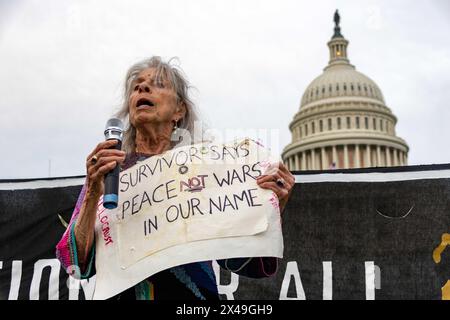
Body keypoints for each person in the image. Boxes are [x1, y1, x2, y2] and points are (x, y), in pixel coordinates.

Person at [56, 56, 295, 300]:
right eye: (137, 85)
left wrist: (272, 206)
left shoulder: (206, 169)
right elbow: (75, 264)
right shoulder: (110, 173)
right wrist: (93, 192)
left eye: (158, 83)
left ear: (179, 110)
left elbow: (241, 260)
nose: (142, 88)